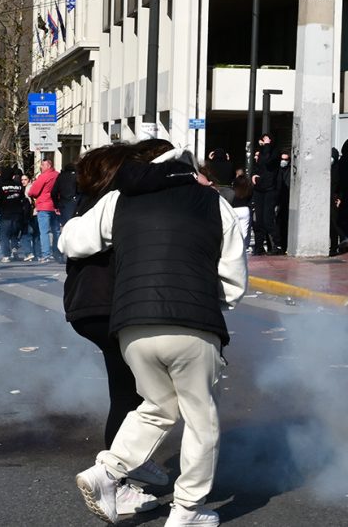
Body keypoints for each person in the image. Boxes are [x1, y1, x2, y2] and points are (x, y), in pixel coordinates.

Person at [61, 145, 247, 527]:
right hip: (192, 324)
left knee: (156, 407)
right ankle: (187, 510)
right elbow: (233, 282)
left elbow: (72, 241)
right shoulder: (215, 204)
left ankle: (106, 471)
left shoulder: (119, 200)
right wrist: (209, 303)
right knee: (201, 420)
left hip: (132, 326)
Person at [251, 133, 282, 255]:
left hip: (270, 189)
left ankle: (277, 245)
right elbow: (258, 166)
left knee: (267, 219)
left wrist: (267, 146)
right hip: (259, 189)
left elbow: (268, 162)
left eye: (265, 140)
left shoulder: (274, 152)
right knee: (258, 220)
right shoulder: (260, 152)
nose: (263, 143)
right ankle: (259, 246)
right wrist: (253, 175)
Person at [26, 159, 60, 263]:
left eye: (43, 165)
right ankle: (57, 253)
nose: (41, 167)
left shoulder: (43, 176)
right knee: (56, 231)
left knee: (44, 232)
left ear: (48, 165)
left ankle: (46, 255)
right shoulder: (57, 175)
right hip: (55, 206)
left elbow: (33, 192)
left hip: (44, 205)